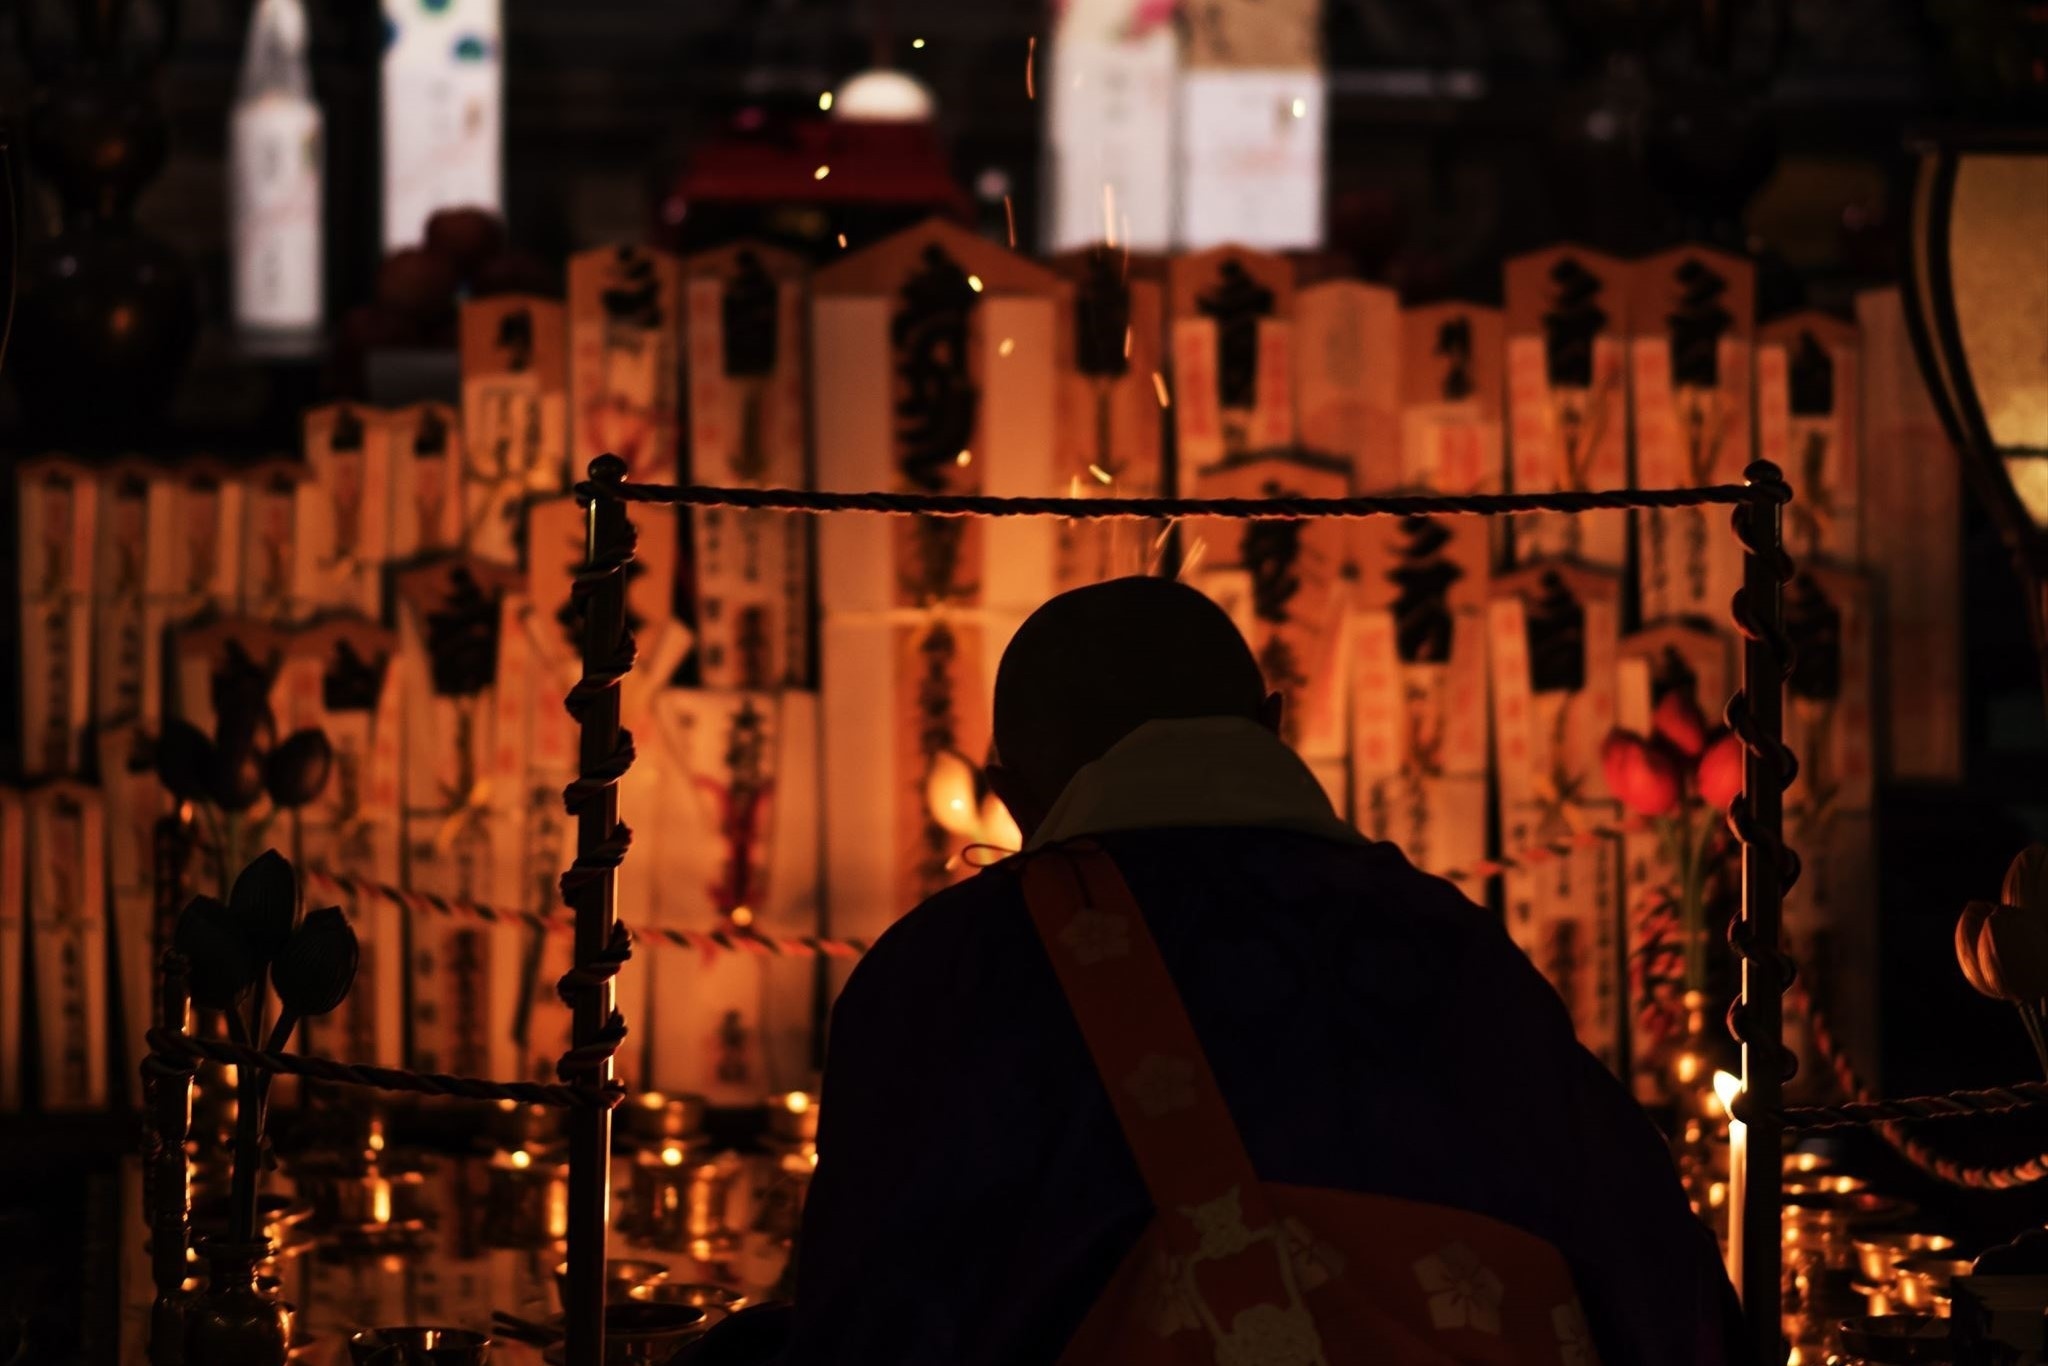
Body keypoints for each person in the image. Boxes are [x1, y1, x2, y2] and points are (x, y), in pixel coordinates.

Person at [696, 576, 1746, 1365]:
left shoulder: (951, 972)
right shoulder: (1449, 946)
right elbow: (1667, 1301)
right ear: (1272, 728)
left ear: (1011, 799)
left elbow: (874, 1325)